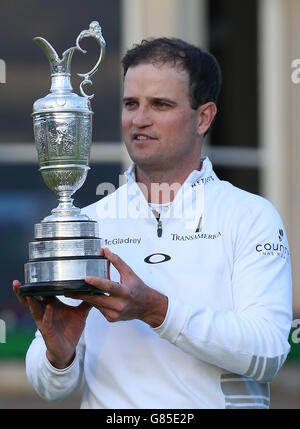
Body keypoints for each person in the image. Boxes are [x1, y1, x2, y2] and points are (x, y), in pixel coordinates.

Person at [13, 38, 292, 409]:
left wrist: (156, 310)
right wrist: (58, 355)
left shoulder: (249, 215)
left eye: (160, 104)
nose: (139, 119)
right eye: (131, 103)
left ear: (204, 117)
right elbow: (50, 388)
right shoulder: (89, 221)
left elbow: (269, 354)